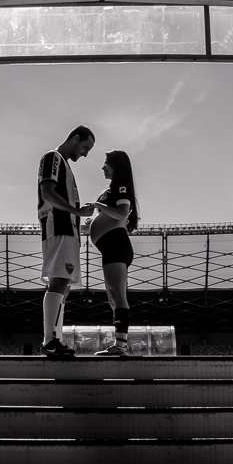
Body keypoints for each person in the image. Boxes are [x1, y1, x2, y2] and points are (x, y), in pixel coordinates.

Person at [37, 126, 95, 357]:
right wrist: (76, 211)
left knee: (65, 285)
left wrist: (79, 220)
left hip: (68, 230)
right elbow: (47, 193)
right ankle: (50, 340)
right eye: (85, 147)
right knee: (59, 281)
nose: (85, 154)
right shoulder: (54, 157)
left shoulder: (65, 165)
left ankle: (55, 338)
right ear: (75, 138)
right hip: (58, 227)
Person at [85, 150, 138, 356]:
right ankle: (119, 344)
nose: (103, 167)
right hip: (111, 247)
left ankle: (121, 346)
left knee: (118, 295)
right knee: (113, 297)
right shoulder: (110, 190)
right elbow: (111, 216)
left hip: (116, 245)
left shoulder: (121, 186)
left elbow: (122, 213)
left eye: (106, 163)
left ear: (116, 164)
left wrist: (98, 206)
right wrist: (92, 223)